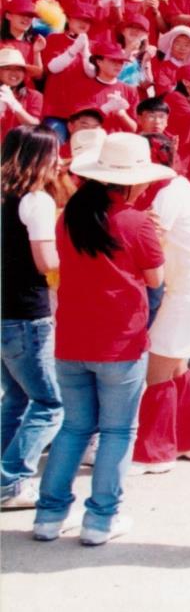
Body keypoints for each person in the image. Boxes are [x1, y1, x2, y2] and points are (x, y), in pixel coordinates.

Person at [33, 132, 170, 545]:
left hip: (73, 339)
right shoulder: (136, 221)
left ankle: (48, 516)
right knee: (116, 432)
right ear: (131, 180)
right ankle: (100, 520)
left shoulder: (69, 217)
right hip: (120, 342)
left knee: (74, 428)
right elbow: (156, 280)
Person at [129, 133, 190, 475]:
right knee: (176, 367)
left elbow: (149, 243)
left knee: (157, 370)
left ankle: (154, 452)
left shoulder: (167, 193)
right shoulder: (177, 186)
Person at [1, 126, 62, 509]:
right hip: (28, 314)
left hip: (5, 310)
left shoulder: (5, 196)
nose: (59, 161)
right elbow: (46, 261)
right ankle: (11, 480)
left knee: (17, 398)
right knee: (50, 404)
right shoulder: (36, 200)